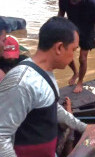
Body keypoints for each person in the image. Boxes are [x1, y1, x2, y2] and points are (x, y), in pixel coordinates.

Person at [0, 17, 87, 157]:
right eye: (73, 50)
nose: (73, 57)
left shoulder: (46, 72)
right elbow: (1, 137)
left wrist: (84, 127)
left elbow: (53, 106)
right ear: (59, 48)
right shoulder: (21, 83)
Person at [58, 0, 95, 93]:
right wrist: (57, 30)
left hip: (88, 31)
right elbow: (61, 14)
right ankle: (75, 73)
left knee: (82, 58)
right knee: (65, 53)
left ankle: (80, 82)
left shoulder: (91, 2)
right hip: (72, 29)